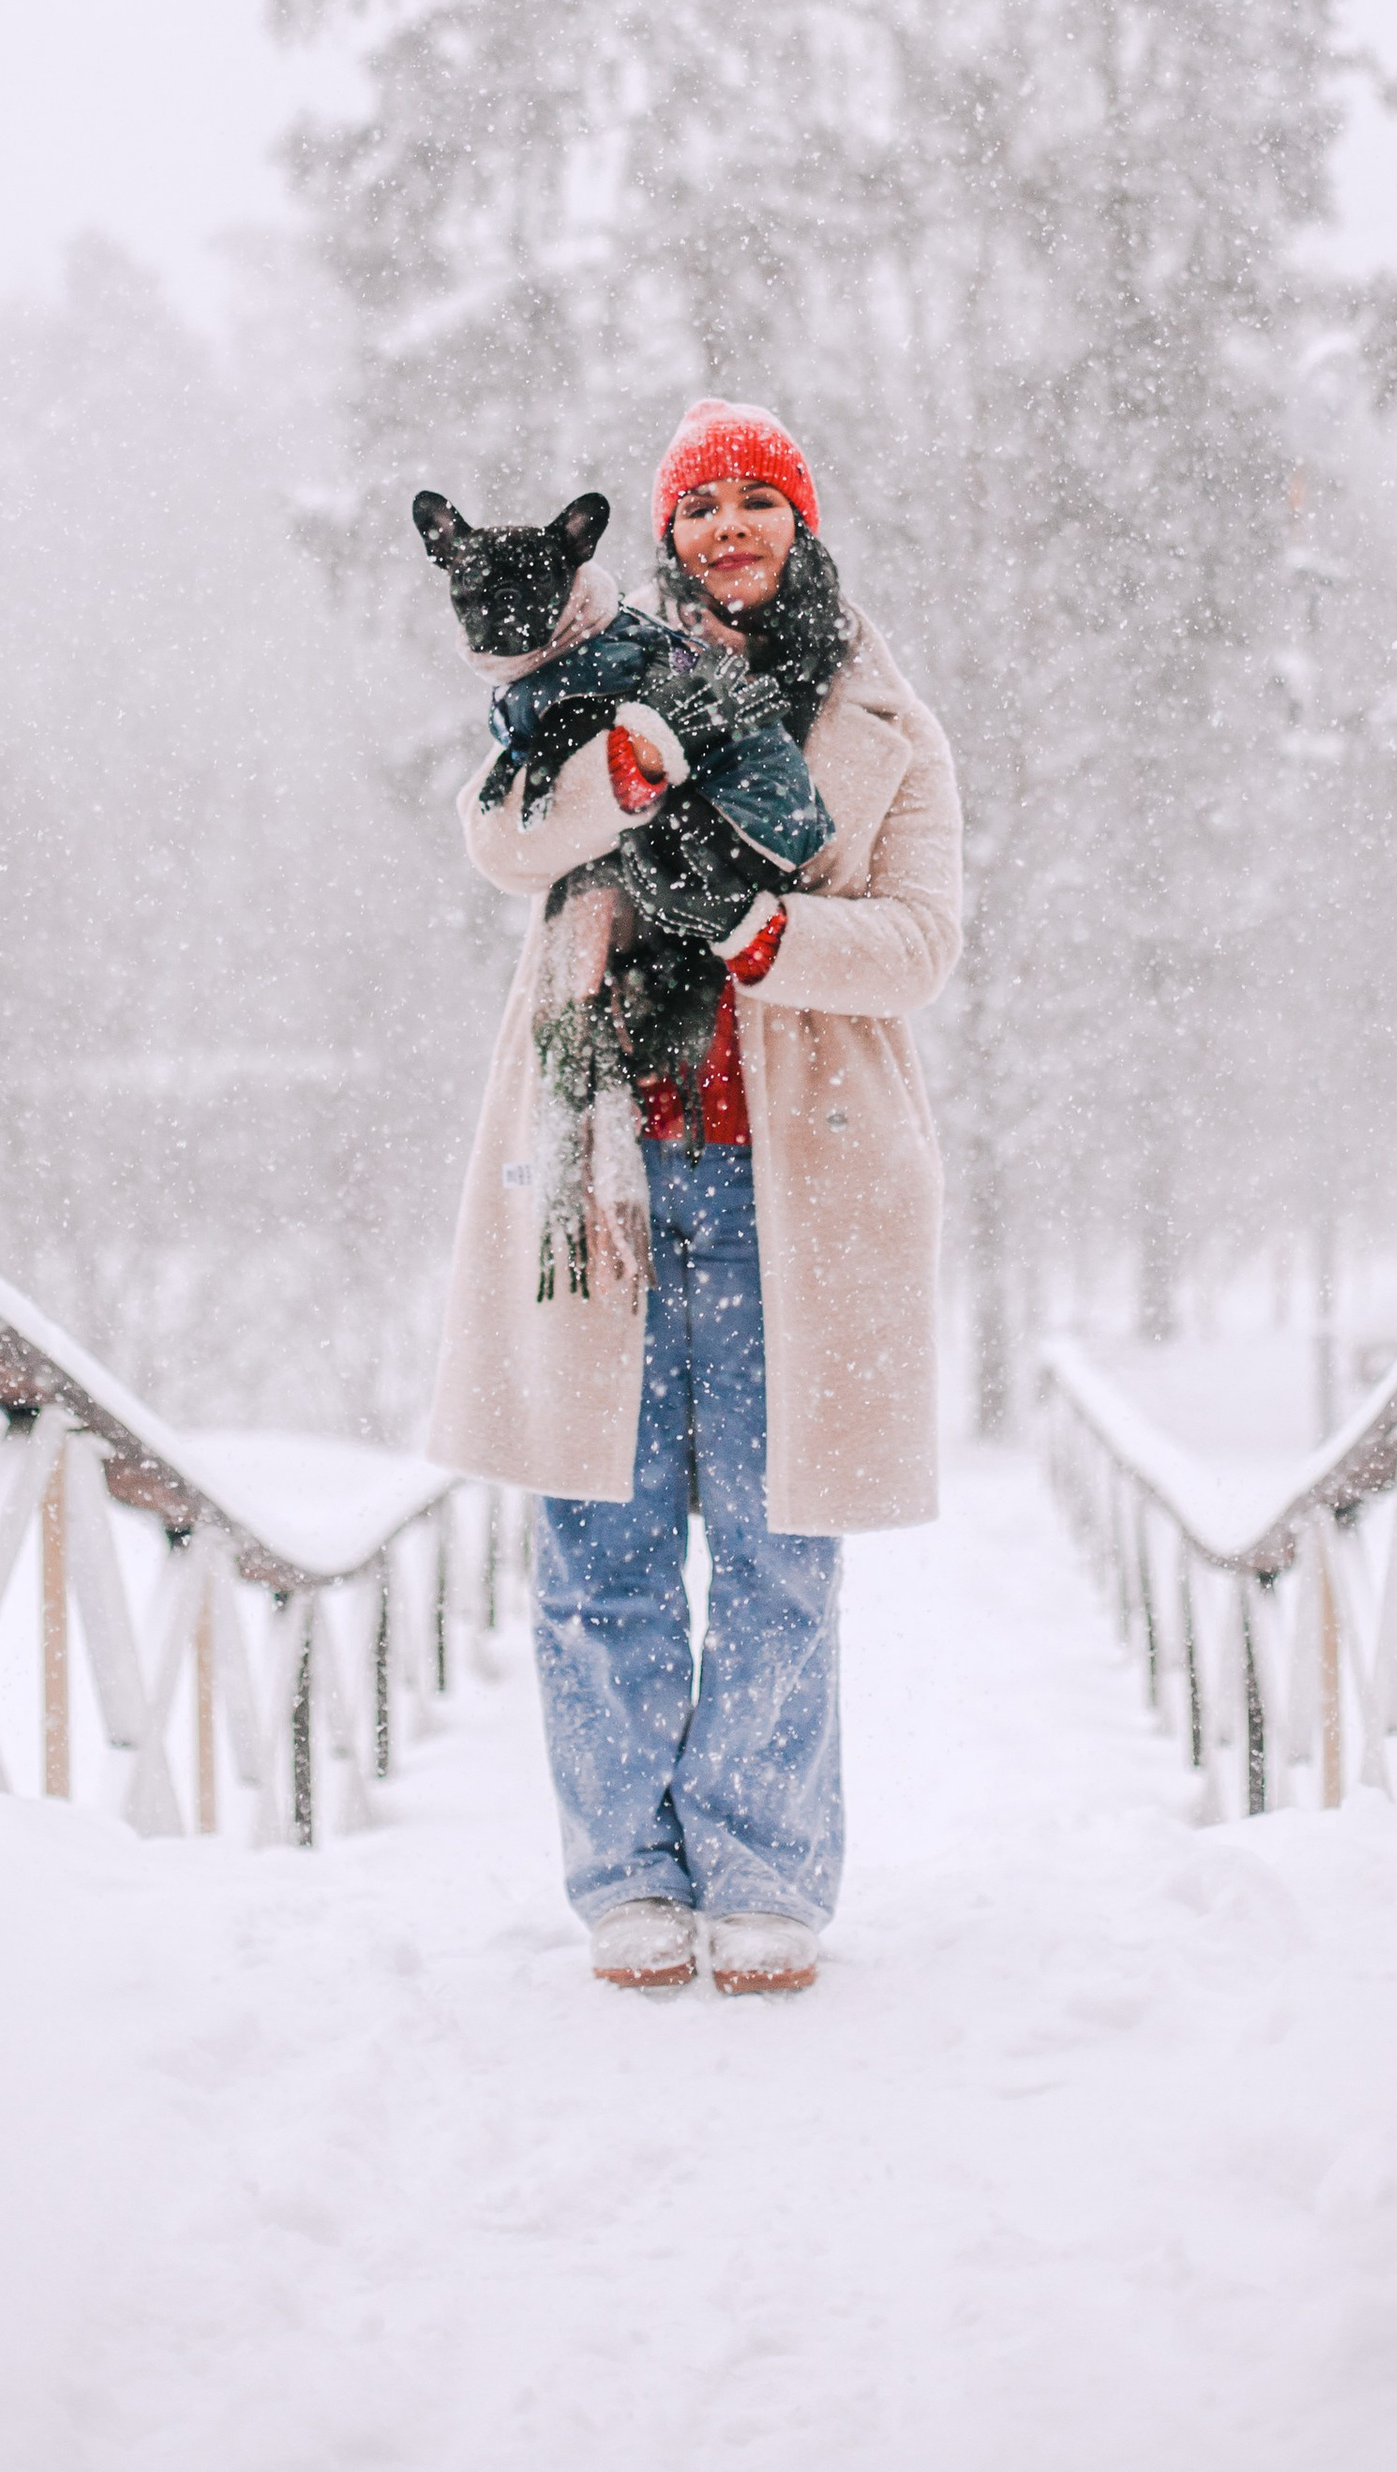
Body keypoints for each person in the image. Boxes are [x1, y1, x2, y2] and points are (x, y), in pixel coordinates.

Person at [425, 400, 963, 1996]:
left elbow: (922, 944)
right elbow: (501, 837)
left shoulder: (890, 722)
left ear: (802, 524)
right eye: (703, 503)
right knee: (600, 1541)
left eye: (759, 500)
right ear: (668, 535)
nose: (730, 526)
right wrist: (630, 770)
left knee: (780, 1549)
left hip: (800, 1186)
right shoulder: (598, 671)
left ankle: (766, 1872)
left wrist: (760, 934)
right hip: (602, 1170)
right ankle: (628, 1878)